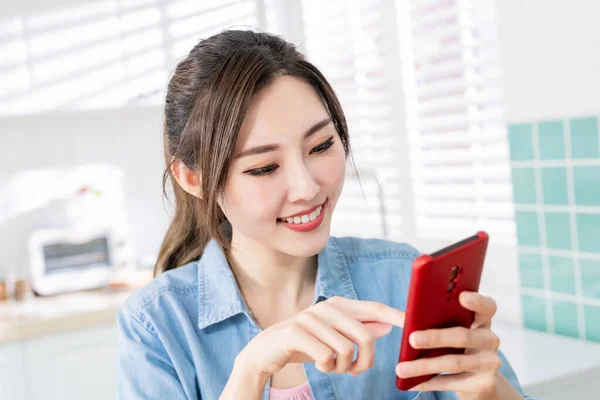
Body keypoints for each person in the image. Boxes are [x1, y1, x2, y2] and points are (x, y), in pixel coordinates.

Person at [117, 30, 534, 400]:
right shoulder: (157, 325)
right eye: (263, 168)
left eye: (320, 146)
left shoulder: (402, 278)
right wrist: (251, 370)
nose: (308, 188)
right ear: (195, 179)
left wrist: (486, 390)